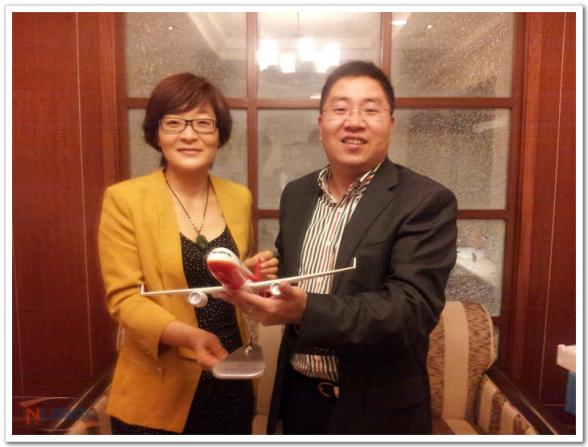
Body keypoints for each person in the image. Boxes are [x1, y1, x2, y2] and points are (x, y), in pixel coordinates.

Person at [218, 61, 458, 434]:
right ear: (321, 123)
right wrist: (265, 278)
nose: (354, 122)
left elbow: (412, 310)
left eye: (370, 110)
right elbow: (294, 274)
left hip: (378, 413)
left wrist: (306, 310)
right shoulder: (297, 194)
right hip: (299, 401)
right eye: (341, 109)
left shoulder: (425, 200)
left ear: (391, 123)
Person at [98, 73, 278, 435]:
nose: (189, 134)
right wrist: (191, 338)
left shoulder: (238, 197)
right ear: (156, 133)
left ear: (219, 134)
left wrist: (248, 273)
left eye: (203, 123)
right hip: (158, 387)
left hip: (231, 373)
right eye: (174, 122)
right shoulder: (125, 200)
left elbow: (228, 282)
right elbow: (125, 300)